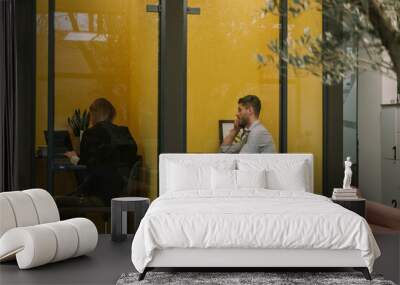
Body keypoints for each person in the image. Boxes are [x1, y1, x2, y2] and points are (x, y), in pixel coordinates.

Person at [64, 98, 137, 205]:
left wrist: (72, 157)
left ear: (94, 113)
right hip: (123, 190)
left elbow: (86, 165)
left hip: (100, 192)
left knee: (59, 202)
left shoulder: (91, 134)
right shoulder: (124, 132)